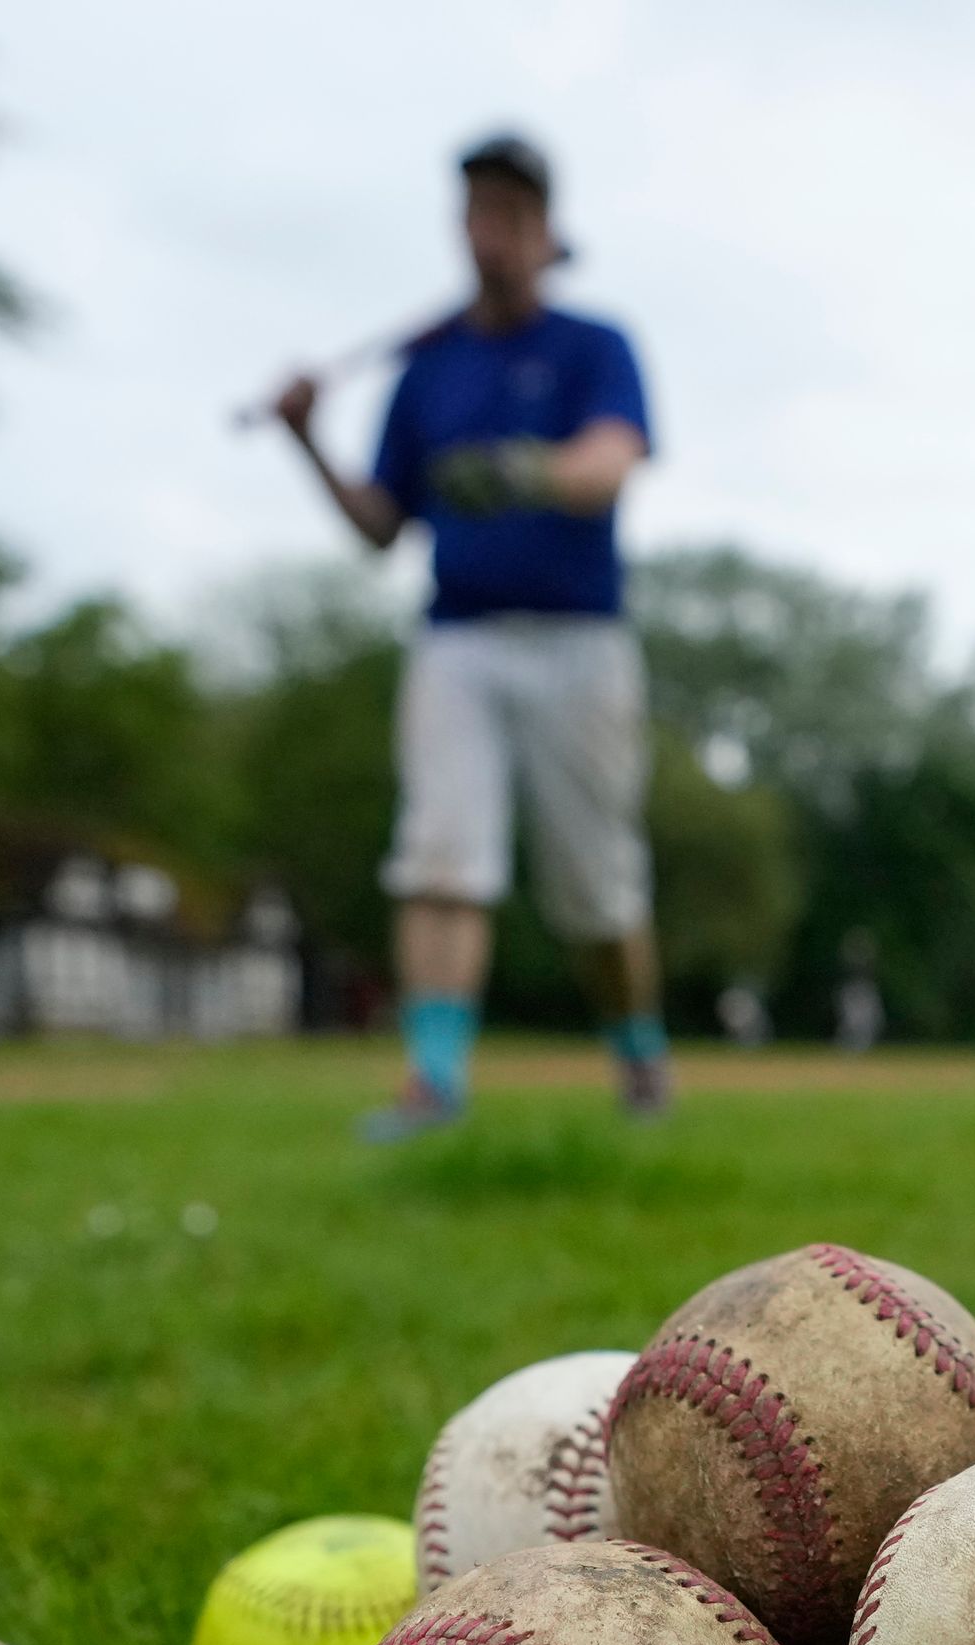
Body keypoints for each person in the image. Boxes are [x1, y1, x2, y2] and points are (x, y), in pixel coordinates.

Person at [272, 133, 665, 1137]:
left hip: (580, 639)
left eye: (514, 217)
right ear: (462, 228)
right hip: (458, 639)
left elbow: (609, 462)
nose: (494, 235)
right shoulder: (428, 372)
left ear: (546, 235)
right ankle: (433, 1082)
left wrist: (525, 472)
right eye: (479, 214)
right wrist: (307, 438)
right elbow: (378, 526)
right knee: (440, 858)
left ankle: (637, 1057)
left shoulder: (592, 347)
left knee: (594, 890)